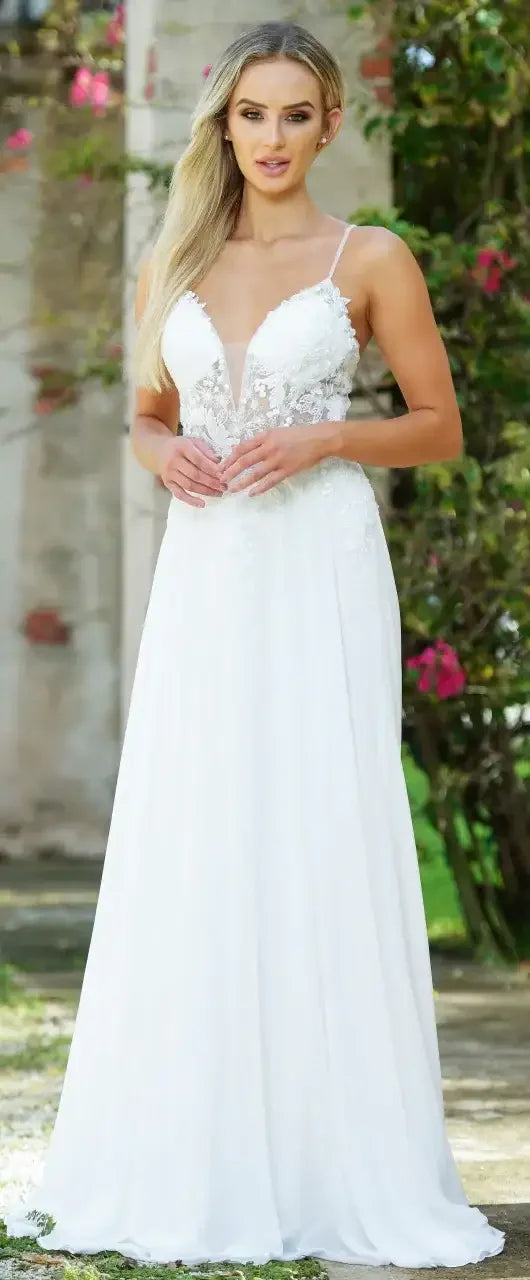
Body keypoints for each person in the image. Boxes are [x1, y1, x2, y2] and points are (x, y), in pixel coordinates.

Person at [4, 19, 505, 1270]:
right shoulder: (173, 255)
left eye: (294, 114)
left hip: (315, 559)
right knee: (199, 820)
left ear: (329, 122)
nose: (271, 137)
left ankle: (334, 1157)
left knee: (315, 817)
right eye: (250, 114)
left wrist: (327, 437)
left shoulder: (367, 256)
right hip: (209, 569)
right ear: (222, 124)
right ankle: (192, 1146)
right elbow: (146, 415)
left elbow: (438, 425)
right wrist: (160, 449)